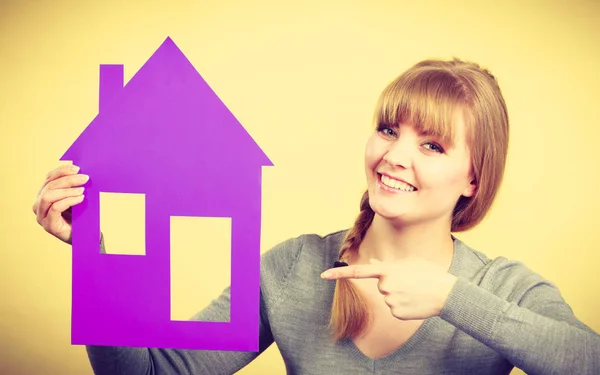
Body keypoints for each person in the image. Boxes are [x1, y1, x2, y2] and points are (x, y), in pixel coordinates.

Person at [33, 58, 600, 375]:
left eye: (432, 145)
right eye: (388, 130)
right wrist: (94, 257)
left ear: (473, 178)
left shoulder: (502, 288)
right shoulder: (292, 269)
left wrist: (451, 298)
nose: (394, 156)